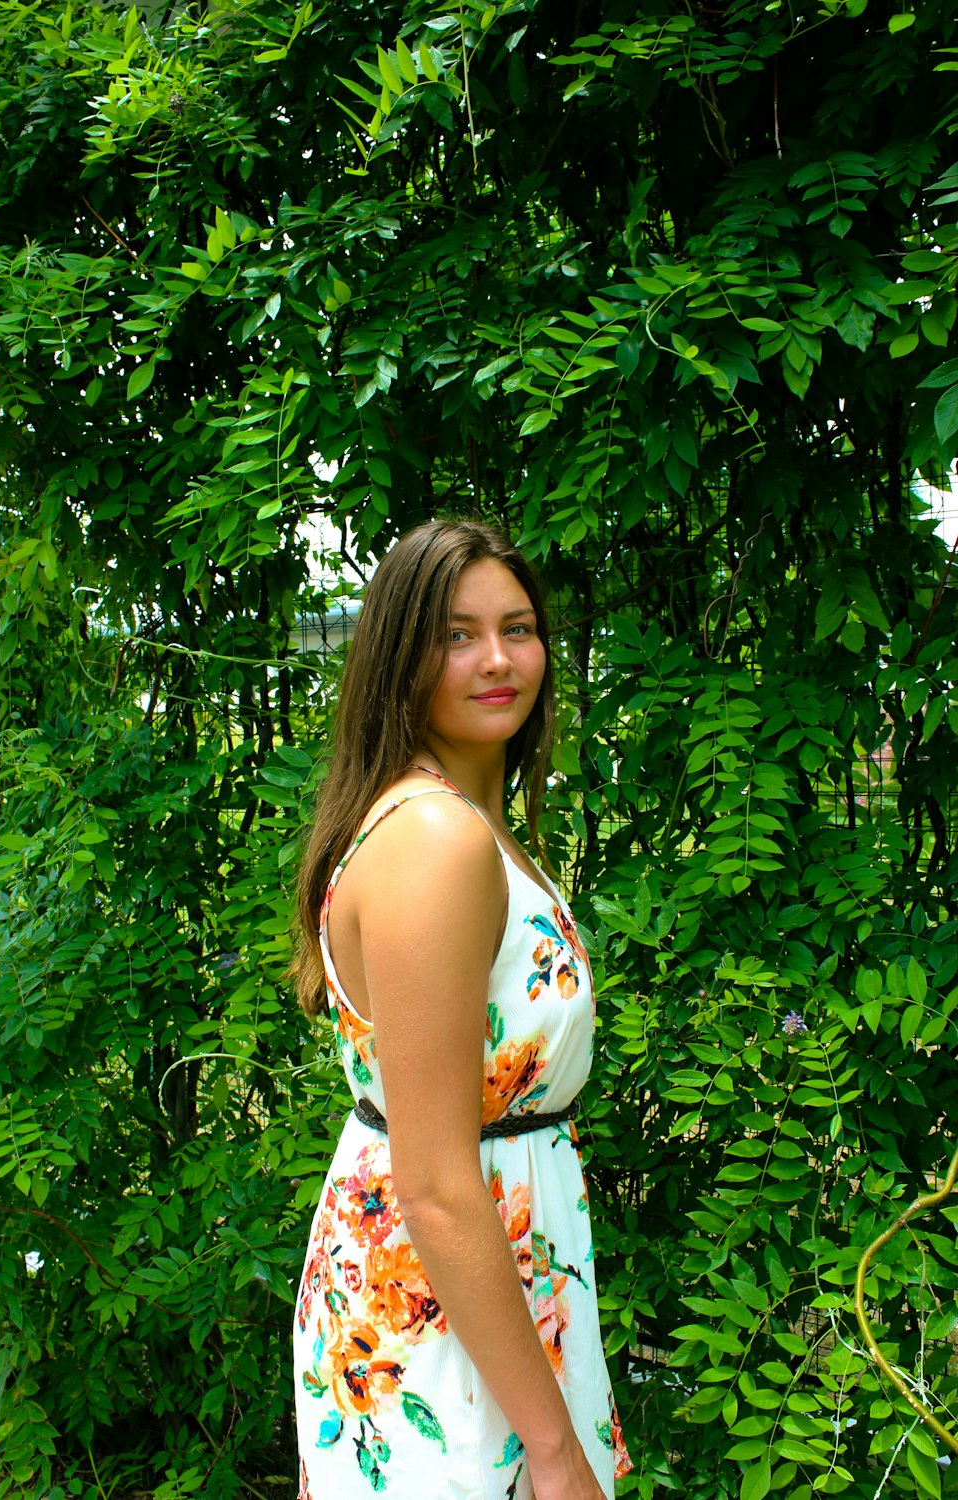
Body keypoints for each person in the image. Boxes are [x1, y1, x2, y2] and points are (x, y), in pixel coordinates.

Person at [291, 521, 631, 1499]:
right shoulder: (435, 840)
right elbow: (437, 1182)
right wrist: (557, 1449)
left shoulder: (462, 823)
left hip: (494, 1297)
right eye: (455, 634)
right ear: (400, 659)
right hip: (437, 1320)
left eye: (517, 628)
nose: (496, 659)